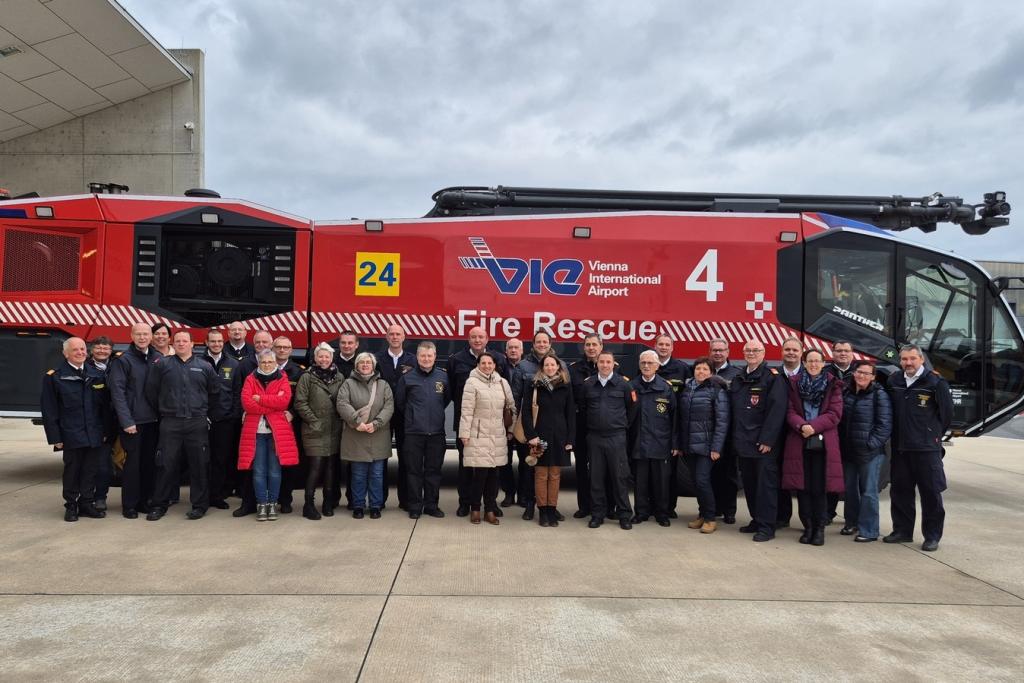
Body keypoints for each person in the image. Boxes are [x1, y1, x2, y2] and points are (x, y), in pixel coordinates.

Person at [144, 330, 220, 521]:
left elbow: (214, 393)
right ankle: (159, 505)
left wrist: (204, 415)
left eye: (185, 341)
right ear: (172, 343)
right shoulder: (162, 365)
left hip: (197, 422)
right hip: (171, 422)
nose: (181, 344)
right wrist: (165, 410)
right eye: (177, 341)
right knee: (165, 464)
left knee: (200, 465)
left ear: (193, 344)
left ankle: (200, 505)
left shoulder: (204, 366)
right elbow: (151, 392)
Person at [884, 344, 953, 552]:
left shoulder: (935, 382)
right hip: (900, 448)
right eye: (904, 359)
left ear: (921, 359)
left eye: (912, 359)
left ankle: (932, 536)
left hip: (926, 449)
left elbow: (947, 415)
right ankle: (902, 531)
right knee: (900, 491)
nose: (908, 363)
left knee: (931, 493)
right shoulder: (894, 380)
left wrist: (931, 435)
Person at [40, 337, 112, 521]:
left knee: (90, 470)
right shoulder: (55, 377)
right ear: (66, 354)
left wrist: (105, 431)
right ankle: (71, 505)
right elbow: (49, 410)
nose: (80, 353)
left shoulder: (96, 374)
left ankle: (87, 503)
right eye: (75, 350)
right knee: (73, 470)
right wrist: (55, 437)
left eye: (82, 349)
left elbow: (103, 407)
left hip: (94, 432)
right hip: (71, 433)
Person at [781, 349, 844, 546]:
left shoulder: (833, 384)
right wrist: (802, 426)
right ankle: (807, 527)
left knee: (819, 488)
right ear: (805, 363)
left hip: (823, 444)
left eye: (817, 361)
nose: (814, 364)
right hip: (799, 441)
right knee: (802, 488)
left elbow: (835, 414)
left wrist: (813, 427)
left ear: (823, 363)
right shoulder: (794, 383)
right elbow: (789, 411)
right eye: (810, 361)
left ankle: (819, 529)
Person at [728, 339, 788, 542]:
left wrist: (768, 439)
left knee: (766, 486)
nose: (751, 353)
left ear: (764, 353)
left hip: (763, 444)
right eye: (748, 350)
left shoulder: (772, 378)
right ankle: (756, 519)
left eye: (755, 350)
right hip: (743, 442)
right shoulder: (738, 377)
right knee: (750, 485)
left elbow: (777, 411)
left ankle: (767, 526)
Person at [448, 326, 508, 517]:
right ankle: (465, 503)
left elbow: (504, 391)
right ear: (468, 339)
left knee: (492, 467)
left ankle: (491, 504)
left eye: (481, 336)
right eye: (473, 336)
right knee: (466, 466)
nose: (477, 340)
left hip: (492, 425)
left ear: (487, 338)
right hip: (466, 424)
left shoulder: (498, 359)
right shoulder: (456, 360)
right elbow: (449, 391)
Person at [238, 349, 299, 521]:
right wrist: (272, 403)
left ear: (275, 363)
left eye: (270, 362)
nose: (266, 365)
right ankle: (261, 504)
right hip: (255, 432)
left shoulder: (282, 378)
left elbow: (284, 402)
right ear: (258, 362)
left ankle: (272, 503)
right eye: (263, 362)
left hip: (276, 433)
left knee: (274, 471)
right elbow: (247, 404)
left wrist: (260, 398)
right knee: (258, 471)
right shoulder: (250, 379)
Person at [580, 351, 638, 530]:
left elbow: (633, 409)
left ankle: (624, 515)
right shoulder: (588, 384)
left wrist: (620, 426)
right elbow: (583, 409)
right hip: (595, 437)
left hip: (616, 437)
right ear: (597, 363)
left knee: (620, 478)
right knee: (596, 478)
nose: (605, 365)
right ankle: (598, 514)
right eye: (601, 362)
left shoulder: (624, 384)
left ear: (614, 364)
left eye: (608, 362)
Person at [107, 322, 160, 518]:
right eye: (138, 334)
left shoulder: (158, 358)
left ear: (151, 336)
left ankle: (145, 502)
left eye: (146, 334)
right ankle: (129, 505)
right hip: (133, 423)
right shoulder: (123, 360)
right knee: (132, 466)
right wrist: (126, 421)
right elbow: (117, 393)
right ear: (132, 335)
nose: (142, 337)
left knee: (149, 464)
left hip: (153, 422)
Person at [395, 342, 451, 519]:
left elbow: (446, 399)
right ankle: (415, 506)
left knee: (433, 471)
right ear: (417, 357)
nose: (426, 359)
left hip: (436, 433)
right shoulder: (407, 378)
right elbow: (401, 403)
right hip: (413, 433)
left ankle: (431, 505)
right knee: (414, 472)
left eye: (430, 356)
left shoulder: (443, 377)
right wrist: (414, 416)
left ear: (435, 357)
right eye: (423, 356)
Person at [458, 352, 515, 525]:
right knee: (479, 476)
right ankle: (475, 509)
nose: (487, 366)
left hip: (497, 434)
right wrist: (464, 434)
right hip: (478, 435)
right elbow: (466, 411)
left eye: (490, 363)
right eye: (483, 363)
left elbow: (511, 408)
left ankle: (489, 510)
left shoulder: (502, 383)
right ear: (478, 364)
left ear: (495, 365)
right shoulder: (471, 382)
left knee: (494, 476)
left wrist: (511, 430)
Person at [839, 361, 892, 543]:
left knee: (869, 491)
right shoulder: (846, 392)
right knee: (850, 490)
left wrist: (870, 444)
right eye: (859, 372)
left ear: (873, 377)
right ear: (854, 373)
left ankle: (869, 530)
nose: (862, 376)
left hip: (870, 453)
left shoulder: (879, 395)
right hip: (848, 450)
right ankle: (851, 522)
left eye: (866, 373)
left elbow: (884, 425)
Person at [676, 357, 730, 534]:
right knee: (696, 483)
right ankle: (702, 515)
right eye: (698, 369)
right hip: (689, 446)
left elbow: (722, 422)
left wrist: (716, 448)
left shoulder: (716, 391)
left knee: (702, 480)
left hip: (707, 447)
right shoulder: (687, 389)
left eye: (705, 369)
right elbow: (681, 420)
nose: (701, 372)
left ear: (711, 373)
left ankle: (710, 518)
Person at [337, 352, 394, 519]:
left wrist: (376, 423)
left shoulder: (383, 385)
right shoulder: (347, 384)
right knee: (358, 474)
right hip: (356, 434)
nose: (365, 365)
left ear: (373, 365)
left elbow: (389, 406)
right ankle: (358, 505)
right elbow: (342, 403)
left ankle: (376, 505)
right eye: (361, 362)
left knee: (377, 474)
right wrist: (357, 422)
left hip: (378, 434)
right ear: (356, 365)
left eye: (368, 362)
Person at [521, 353, 575, 527]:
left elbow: (570, 414)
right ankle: (543, 511)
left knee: (555, 475)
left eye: (553, 365)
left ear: (558, 367)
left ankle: (552, 510)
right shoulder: (533, 385)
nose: (550, 368)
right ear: (542, 368)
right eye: (546, 365)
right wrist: (531, 436)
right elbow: (527, 412)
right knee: (541, 475)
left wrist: (570, 438)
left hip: (559, 437)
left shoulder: (566, 386)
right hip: (540, 436)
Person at [293, 343, 344, 520]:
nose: (324, 359)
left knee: (331, 467)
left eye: (327, 356)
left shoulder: (339, 377)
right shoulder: (307, 377)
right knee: (315, 467)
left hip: (333, 429)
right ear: (315, 358)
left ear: (332, 358)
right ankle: (308, 504)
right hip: (314, 429)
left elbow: (343, 401)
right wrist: (314, 421)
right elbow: (300, 402)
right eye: (320, 356)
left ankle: (328, 502)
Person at [628, 350, 676, 527]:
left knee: (661, 482)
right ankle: (641, 512)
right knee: (640, 482)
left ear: (657, 366)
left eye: (650, 363)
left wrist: (674, 443)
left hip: (660, 443)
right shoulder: (631, 386)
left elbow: (674, 418)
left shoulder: (666, 388)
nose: (646, 366)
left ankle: (661, 513)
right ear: (639, 365)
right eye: (643, 363)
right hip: (639, 442)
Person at [232, 330, 273, 517]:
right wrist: (242, 414)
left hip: (272, 425)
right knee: (250, 465)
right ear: (253, 344)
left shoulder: (276, 366)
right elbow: (239, 393)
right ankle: (247, 503)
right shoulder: (245, 365)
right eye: (258, 342)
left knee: (271, 467)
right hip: (250, 422)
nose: (262, 345)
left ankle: (272, 502)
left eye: (265, 341)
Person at [375, 324, 416, 511]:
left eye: (398, 334)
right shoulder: (377, 359)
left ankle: (405, 500)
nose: (395, 337)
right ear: (386, 337)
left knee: (406, 457)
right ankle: (379, 499)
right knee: (381, 457)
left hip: (404, 415)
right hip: (382, 414)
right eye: (391, 334)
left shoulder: (412, 360)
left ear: (404, 337)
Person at [201, 328, 240, 510]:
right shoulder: (198, 362)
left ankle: (216, 496)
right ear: (206, 343)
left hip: (225, 420)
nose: (216, 344)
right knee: (202, 459)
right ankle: (201, 496)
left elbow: (237, 392)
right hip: (201, 419)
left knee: (221, 459)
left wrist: (233, 414)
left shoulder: (233, 364)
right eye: (212, 341)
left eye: (219, 341)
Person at [653, 334, 690, 519]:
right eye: (661, 344)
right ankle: (653, 506)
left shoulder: (682, 369)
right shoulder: (648, 364)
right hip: (652, 425)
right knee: (652, 470)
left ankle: (669, 508)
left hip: (673, 424)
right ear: (655, 346)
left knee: (671, 472)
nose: (664, 347)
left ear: (672, 347)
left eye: (667, 344)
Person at [568, 333, 603, 519]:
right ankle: (584, 507)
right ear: (584, 347)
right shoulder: (573, 369)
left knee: (601, 469)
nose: (591, 348)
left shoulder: (610, 367)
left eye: (594, 344)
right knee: (581, 469)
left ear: (601, 346)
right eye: (588, 344)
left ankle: (602, 506)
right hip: (581, 426)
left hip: (601, 427)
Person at [270, 336, 305, 513]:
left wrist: (293, 413)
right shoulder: (263, 368)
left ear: (291, 350)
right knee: (267, 462)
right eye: (279, 347)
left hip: (288, 424)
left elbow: (303, 398)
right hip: (267, 423)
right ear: (273, 348)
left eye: (286, 347)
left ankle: (285, 500)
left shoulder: (299, 372)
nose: (282, 350)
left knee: (288, 463)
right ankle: (267, 499)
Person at [708, 338, 740, 524]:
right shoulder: (703, 371)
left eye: (721, 350)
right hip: (707, 432)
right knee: (707, 474)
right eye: (714, 350)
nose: (718, 353)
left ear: (728, 352)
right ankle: (712, 509)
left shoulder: (736, 373)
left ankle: (729, 510)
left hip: (728, 433)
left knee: (729, 475)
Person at [504, 338, 534, 519]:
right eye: (510, 348)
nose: (514, 350)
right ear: (506, 350)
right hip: (505, 420)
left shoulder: (529, 367)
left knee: (525, 459)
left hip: (524, 421)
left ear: (522, 350)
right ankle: (509, 493)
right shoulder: (500, 365)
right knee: (504, 460)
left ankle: (523, 494)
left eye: (517, 347)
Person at [776, 336, 804, 529]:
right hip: (778, 433)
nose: (791, 353)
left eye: (795, 350)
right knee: (779, 477)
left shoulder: (810, 373)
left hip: (802, 433)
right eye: (787, 350)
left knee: (804, 477)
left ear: (801, 352)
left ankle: (807, 520)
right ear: (782, 352)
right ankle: (782, 517)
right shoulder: (773, 374)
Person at [86, 336, 114, 511]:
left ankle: (100, 495)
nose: (102, 351)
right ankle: (96, 498)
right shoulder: (85, 369)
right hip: (96, 425)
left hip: (118, 421)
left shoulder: (117, 365)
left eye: (106, 348)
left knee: (108, 467)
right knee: (97, 465)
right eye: (98, 348)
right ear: (91, 350)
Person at [332, 330, 359, 510]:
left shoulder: (363, 363)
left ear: (356, 345)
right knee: (333, 461)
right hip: (333, 419)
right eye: (343, 343)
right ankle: (333, 499)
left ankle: (352, 499)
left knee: (353, 462)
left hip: (355, 420)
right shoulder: (331, 363)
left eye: (350, 343)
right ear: (339, 344)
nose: (347, 346)